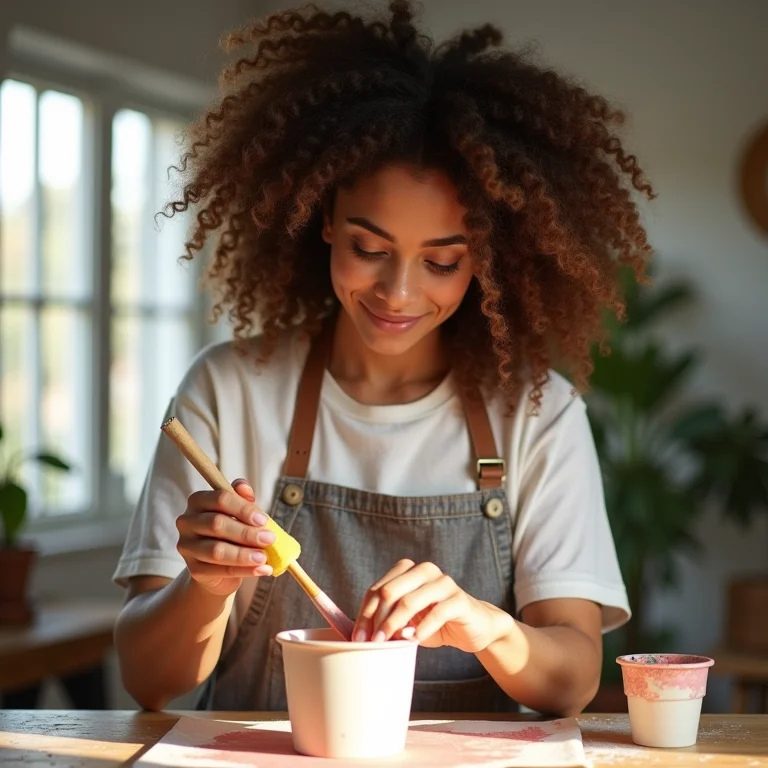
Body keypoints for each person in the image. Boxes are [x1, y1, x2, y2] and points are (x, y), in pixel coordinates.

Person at [113, 0, 652, 717]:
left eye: (442, 262)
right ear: (325, 218)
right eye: (368, 248)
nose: (398, 293)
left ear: (487, 259)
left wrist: (489, 628)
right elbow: (148, 680)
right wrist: (203, 588)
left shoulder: (536, 411)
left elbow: (573, 679)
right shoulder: (228, 389)